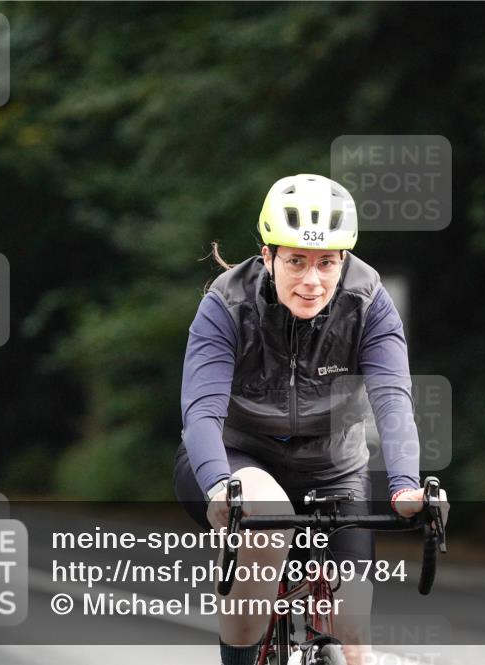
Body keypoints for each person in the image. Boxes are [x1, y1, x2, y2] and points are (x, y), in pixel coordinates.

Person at [173, 173, 442, 665]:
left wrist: (405, 486)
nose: (312, 280)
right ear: (268, 255)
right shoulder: (225, 304)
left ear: (345, 261)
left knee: (354, 639)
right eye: (296, 260)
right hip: (238, 460)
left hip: (332, 470)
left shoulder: (368, 301)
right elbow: (201, 411)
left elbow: (393, 399)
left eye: (327, 263)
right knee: (262, 517)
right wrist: (217, 487)